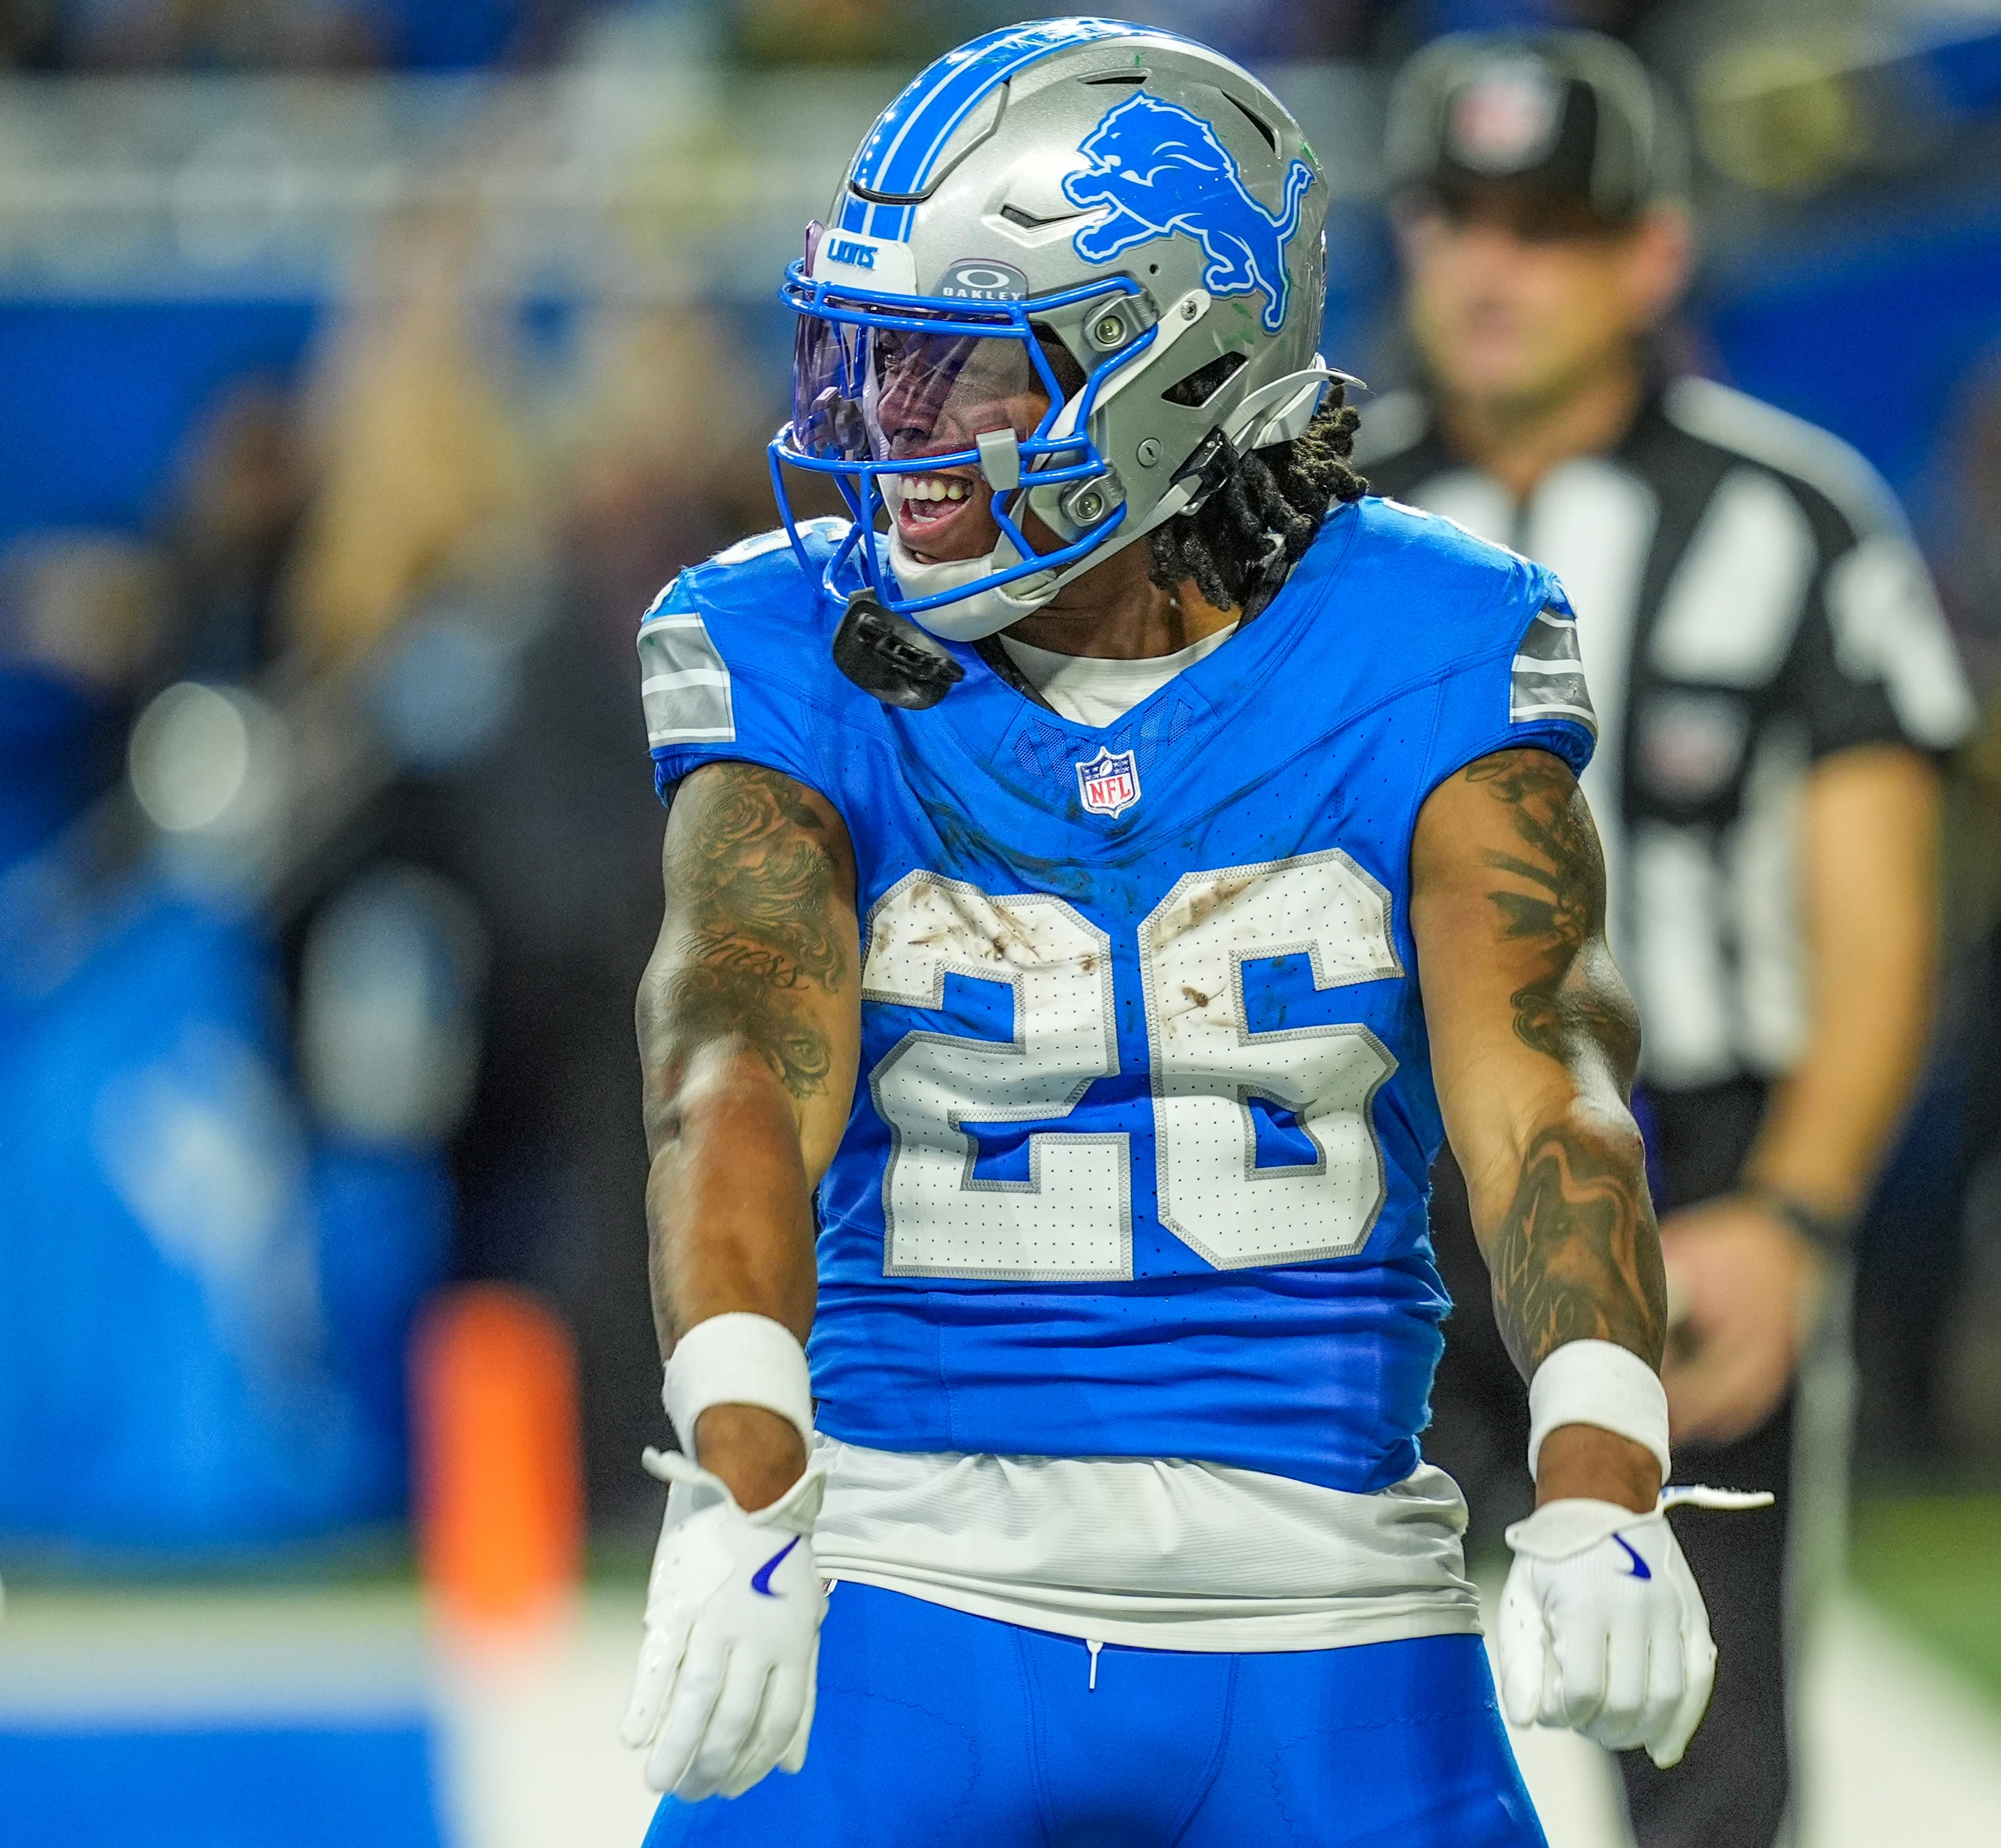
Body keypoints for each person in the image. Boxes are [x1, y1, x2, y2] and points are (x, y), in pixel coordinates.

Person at [616, 21, 1760, 1840]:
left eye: (960, 382)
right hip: (900, 1578)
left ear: (1172, 373)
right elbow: (735, 1056)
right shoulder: (783, 640)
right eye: (870, 371)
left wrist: (1606, 1466)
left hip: (1328, 1606)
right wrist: (744, 1471)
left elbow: (1543, 1078)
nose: (888, 444)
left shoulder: (1426, 639)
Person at [1362, 30, 1972, 1846]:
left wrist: (1792, 1212)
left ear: (1652, 255)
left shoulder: (1792, 520)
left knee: (1702, 1766)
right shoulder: (1305, 530)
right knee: (1309, 1735)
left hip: (1676, 1180)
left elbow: (1878, 918)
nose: (1490, 264)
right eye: (1457, 215)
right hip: (1355, 1192)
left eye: (1546, 224)